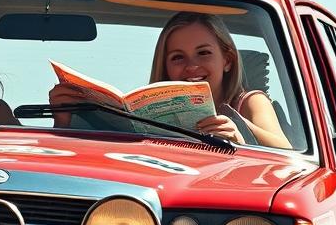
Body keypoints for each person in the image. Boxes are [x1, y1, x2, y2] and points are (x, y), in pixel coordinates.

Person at [48, 11, 290, 148]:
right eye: (177, 58)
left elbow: (287, 152)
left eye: (203, 53)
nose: (192, 66)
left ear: (227, 60)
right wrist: (63, 118)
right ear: (164, 66)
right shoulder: (148, 108)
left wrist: (239, 135)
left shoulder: (248, 101)